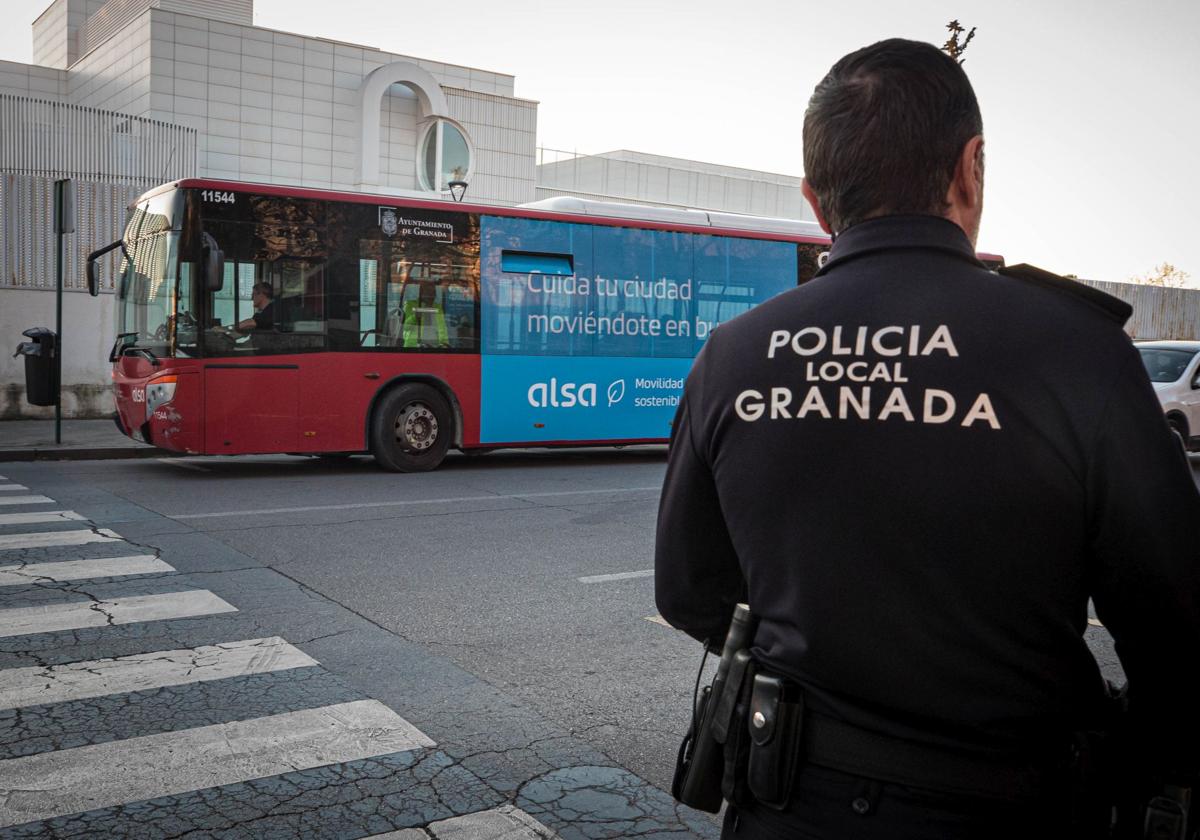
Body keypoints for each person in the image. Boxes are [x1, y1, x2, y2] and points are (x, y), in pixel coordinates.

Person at [655, 38, 1200, 838]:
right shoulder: (1077, 352)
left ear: (816, 200)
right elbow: (1178, 627)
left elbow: (688, 591)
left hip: (788, 807)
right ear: (970, 167)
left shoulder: (732, 355)